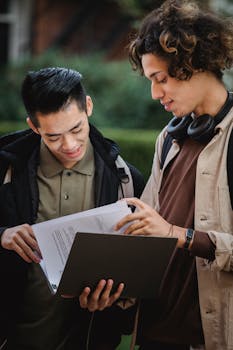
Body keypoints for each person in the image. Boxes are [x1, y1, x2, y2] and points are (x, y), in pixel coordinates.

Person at [115, 0, 233, 349]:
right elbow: (144, 232)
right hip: (152, 333)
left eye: (161, 79)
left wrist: (178, 235)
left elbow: (169, 233)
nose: (155, 94)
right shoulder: (169, 138)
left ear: (194, 64)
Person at [0, 67, 144, 349]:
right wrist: (2, 234)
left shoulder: (126, 180)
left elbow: (137, 269)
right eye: (53, 137)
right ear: (34, 126)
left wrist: (115, 297)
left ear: (88, 106)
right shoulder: (5, 168)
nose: (69, 145)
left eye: (77, 129)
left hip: (88, 340)